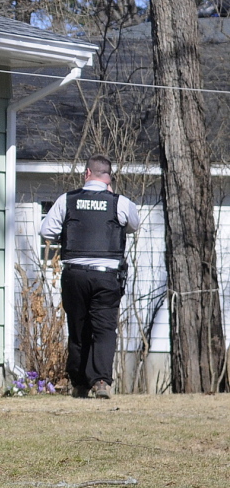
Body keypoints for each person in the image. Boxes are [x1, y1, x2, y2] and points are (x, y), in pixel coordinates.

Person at [39, 154, 140, 399]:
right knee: (104, 329)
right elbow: (133, 225)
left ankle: (80, 383)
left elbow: (46, 231)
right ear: (108, 178)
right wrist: (111, 196)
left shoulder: (67, 200)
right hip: (107, 276)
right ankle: (102, 381)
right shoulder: (120, 202)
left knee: (78, 327)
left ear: (87, 174)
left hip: (75, 274)